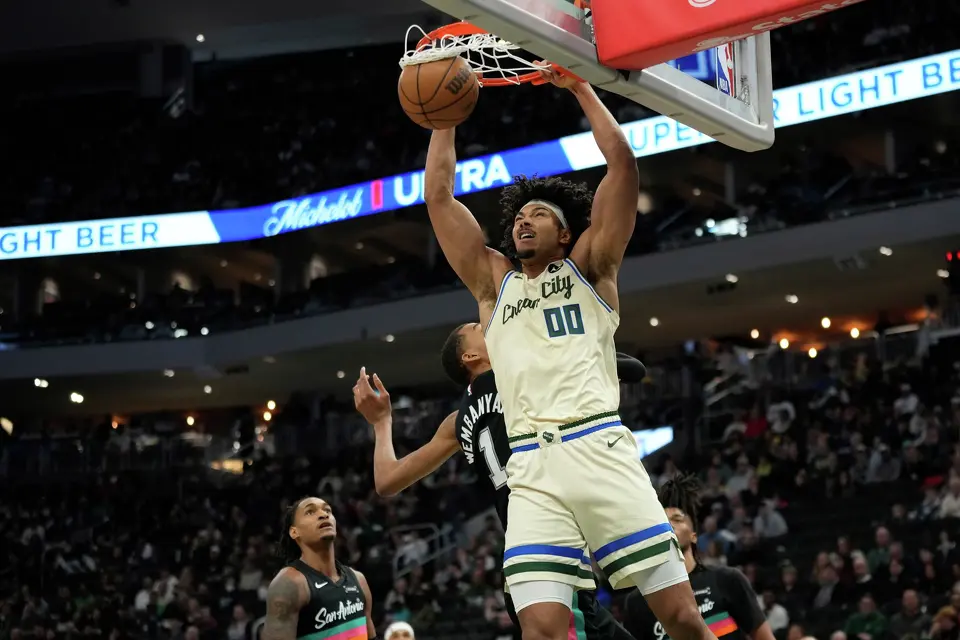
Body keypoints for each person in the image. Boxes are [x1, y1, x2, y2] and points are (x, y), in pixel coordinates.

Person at [421, 64, 710, 640]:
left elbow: (622, 164)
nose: (526, 221)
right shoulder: (492, 284)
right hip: (531, 466)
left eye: (541, 215)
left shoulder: (593, 267)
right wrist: (444, 120)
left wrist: (581, 87)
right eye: (521, 216)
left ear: (566, 234)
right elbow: (438, 196)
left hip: (597, 448)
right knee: (544, 629)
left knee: (680, 618)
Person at [352, 329, 645, 640]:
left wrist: (382, 423)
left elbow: (387, 481)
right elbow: (633, 368)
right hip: (547, 556)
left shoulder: (457, 421)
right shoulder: (522, 379)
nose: (487, 325)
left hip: (527, 560)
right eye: (477, 329)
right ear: (470, 357)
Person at [624, 475, 775, 640]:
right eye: (662, 522)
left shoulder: (727, 580)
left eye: (677, 519)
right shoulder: (637, 603)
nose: (669, 526)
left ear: (694, 535)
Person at [262, 497, 377, 640]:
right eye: (310, 512)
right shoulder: (289, 584)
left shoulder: (358, 580)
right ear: (294, 532)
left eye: (327, 510)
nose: (323, 514)